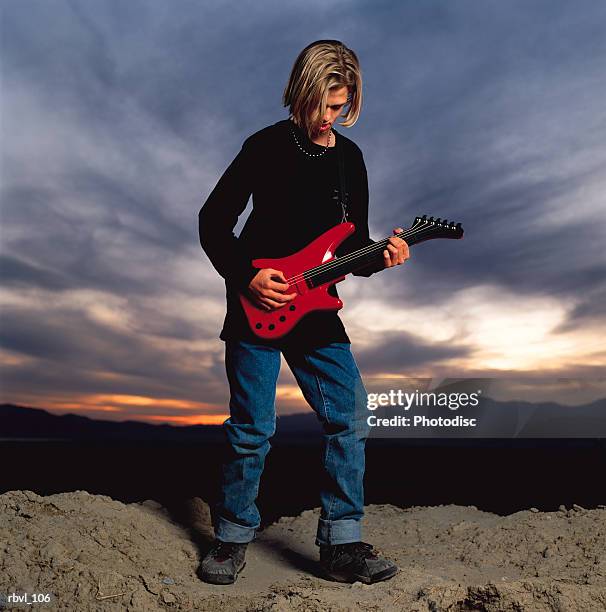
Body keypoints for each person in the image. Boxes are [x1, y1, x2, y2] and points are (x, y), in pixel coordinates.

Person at [197, 40, 409, 585]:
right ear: (299, 93)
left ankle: (341, 543)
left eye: (338, 106)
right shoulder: (263, 146)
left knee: (351, 415)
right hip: (258, 305)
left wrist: (382, 257)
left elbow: (351, 251)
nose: (326, 117)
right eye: (319, 104)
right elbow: (213, 221)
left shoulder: (350, 159)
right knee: (251, 429)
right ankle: (231, 539)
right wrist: (246, 275)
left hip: (316, 311)